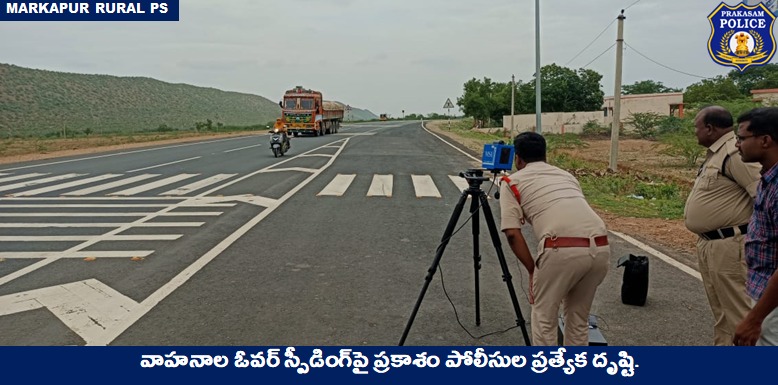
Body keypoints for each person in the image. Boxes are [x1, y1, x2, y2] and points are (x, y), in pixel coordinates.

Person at [499, 131, 610, 346]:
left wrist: (533, 270)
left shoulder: (511, 181)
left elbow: (512, 233)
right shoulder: (566, 176)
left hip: (561, 249)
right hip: (601, 247)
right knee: (578, 319)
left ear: (518, 159)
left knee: (543, 316)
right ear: (545, 155)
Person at [683, 106, 761, 345]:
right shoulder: (716, 154)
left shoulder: (735, 154)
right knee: (722, 316)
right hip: (711, 244)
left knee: (739, 316)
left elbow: (762, 195)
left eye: (697, 127)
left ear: (710, 128)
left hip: (730, 245)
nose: (695, 133)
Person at [733, 107, 778, 346]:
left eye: (741, 138)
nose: (737, 144)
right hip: (764, 295)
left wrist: (755, 318)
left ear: (765, 140)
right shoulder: (768, 178)